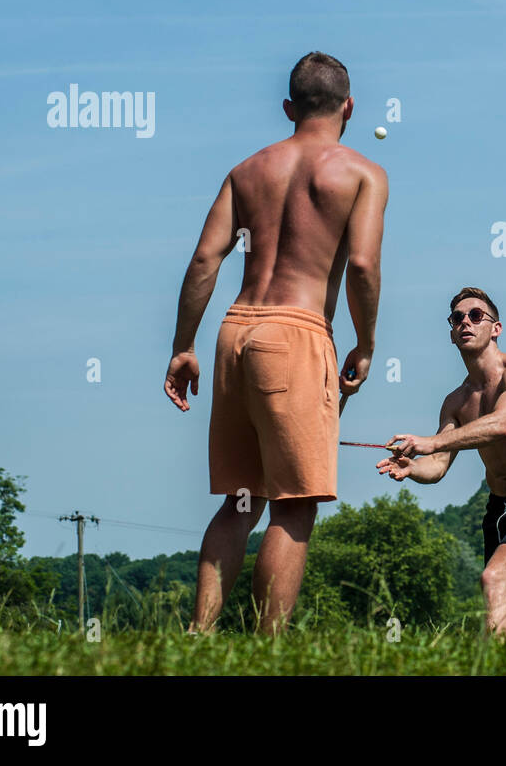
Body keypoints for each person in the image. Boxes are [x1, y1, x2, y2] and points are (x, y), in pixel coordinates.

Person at [163, 52, 388, 635]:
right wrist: (365, 343)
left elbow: (204, 259)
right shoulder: (361, 173)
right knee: (295, 502)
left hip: (234, 332)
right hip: (297, 332)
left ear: (289, 107)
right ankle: (269, 649)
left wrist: (182, 345)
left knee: (242, 498)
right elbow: (362, 265)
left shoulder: (246, 171)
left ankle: (198, 635)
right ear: (350, 106)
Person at [378, 288, 506, 637]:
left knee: (494, 577)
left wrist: (432, 442)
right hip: (499, 509)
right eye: (457, 318)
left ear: (495, 328)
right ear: (451, 334)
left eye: (475, 315)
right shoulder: (456, 401)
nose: (465, 322)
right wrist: (412, 469)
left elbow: (502, 425)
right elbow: (437, 466)